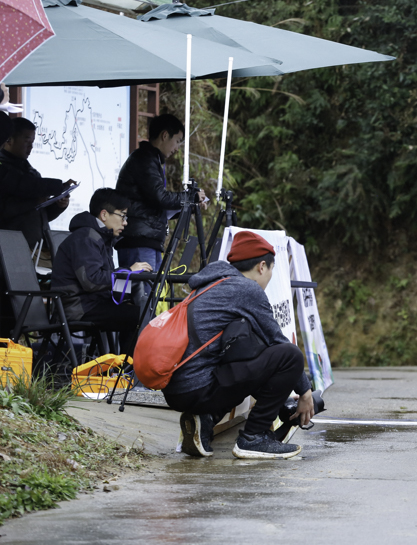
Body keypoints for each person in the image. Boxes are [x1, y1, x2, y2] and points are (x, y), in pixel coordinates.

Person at [162, 231, 315, 460]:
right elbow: (277, 342)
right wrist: (305, 392)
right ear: (262, 266)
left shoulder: (209, 285)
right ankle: (254, 438)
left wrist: (278, 395)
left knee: (244, 354)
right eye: (271, 270)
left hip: (177, 389)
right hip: (198, 387)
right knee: (290, 355)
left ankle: (206, 420)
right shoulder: (246, 290)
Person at [52, 188, 152, 357]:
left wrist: (127, 279)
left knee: (140, 310)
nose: (125, 222)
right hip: (79, 308)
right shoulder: (86, 237)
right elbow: (92, 281)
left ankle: (125, 369)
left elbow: (102, 279)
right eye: (122, 216)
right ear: (104, 215)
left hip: (91, 303)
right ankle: (128, 372)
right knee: (141, 316)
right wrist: (127, 271)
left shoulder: (99, 237)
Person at [115, 113, 207, 290]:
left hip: (146, 239)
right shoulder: (145, 159)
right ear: (165, 135)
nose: (178, 147)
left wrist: (191, 206)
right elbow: (160, 197)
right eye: (178, 141)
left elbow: (158, 205)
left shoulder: (152, 159)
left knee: (149, 297)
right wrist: (190, 197)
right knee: (143, 299)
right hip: (138, 240)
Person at [0, 117, 75, 250]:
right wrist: (55, 188)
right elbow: (7, 208)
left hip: (36, 247)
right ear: (9, 140)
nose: (31, 147)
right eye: (27, 141)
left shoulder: (32, 173)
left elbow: (40, 216)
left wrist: (57, 205)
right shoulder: (5, 170)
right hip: (11, 248)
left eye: (33, 142)